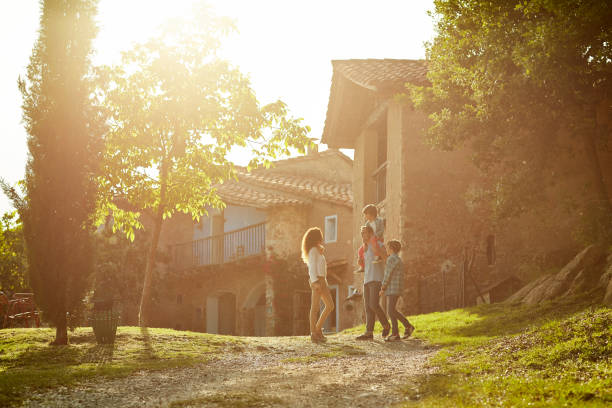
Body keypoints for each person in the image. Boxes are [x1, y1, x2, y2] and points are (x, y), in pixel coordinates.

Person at [356, 225, 391, 340]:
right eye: (361, 233)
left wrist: (376, 248)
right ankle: (369, 332)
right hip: (367, 279)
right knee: (368, 307)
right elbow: (368, 265)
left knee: (373, 304)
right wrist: (361, 262)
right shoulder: (364, 248)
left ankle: (386, 325)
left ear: (370, 233)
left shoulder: (378, 244)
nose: (362, 235)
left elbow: (385, 258)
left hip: (377, 278)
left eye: (365, 233)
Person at [302, 227, 335, 343]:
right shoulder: (313, 251)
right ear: (316, 238)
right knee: (315, 308)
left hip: (322, 280)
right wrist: (315, 282)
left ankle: (317, 330)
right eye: (320, 236)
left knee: (330, 305)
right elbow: (311, 268)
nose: (322, 238)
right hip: (317, 281)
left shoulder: (316, 250)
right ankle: (314, 333)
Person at [379, 240, 415, 341]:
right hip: (396, 288)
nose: (386, 249)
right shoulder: (398, 259)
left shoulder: (391, 259)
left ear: (391, 248)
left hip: (392, 288)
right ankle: (396, 333)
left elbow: (387, 275)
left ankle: (406, 327)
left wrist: (383, 288)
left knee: (390, 311)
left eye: (387, 247)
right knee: (392, 311)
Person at [356, 204, 386, 272]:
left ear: (371, 214)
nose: (365, 216)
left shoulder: (380, 221)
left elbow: (381, 230)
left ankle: (377, 256)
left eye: (366, 214)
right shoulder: (367, 224)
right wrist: (365, 241)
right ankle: (362, 266)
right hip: (370, 240)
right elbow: (366, 233)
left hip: (378, 238)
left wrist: (375, 236)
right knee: (361, 250)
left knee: (373, 239)